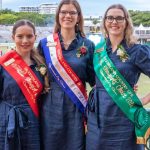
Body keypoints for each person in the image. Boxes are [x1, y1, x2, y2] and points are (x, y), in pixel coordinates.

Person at [86, 4, 150, 150]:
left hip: (124, 118)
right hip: (97, 118)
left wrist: (144, 99)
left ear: (126, 22)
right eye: (110, 18)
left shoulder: (137, 50)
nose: (114, 22)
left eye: (119, 18)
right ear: (104, 22)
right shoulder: (99, 50)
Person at [38, 0, 95, 150]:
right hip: (50, 107)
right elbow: (35, 75)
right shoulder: (44, 44)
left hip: (76, 108)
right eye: (63, 12)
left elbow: (95, 79)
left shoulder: (88, 45)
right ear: (58, 16)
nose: (67, 16)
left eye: (72, 12)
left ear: (78, 17)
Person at [0, 19, 49, 150]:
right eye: (20, 36)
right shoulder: (3, 64)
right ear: (13, 37)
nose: (25, 41)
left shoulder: (41, 65)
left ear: (35, 37)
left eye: (29, 36)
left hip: (32, 119)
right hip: (6, 117)